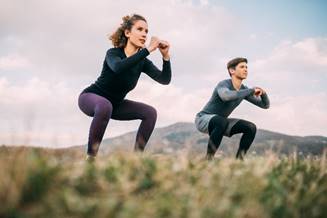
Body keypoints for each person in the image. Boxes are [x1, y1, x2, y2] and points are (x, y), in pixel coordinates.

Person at [78, 14, 171, 161]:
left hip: (116, 104)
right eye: (140, 29)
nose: (144, 34)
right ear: (128, 33)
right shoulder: (113, 53)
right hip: (91, 98)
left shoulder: (143, 62)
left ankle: (135, 161)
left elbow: (164, 80)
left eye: (146, 31)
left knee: (150, 113)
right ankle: (91, 160)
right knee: (105, 106)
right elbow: (118, 68)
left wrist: (166, 57)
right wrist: (147, 50)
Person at [195, 57, 269, 160]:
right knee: (220, 121)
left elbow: (265, 105)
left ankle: (239, 161)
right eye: (242, 67)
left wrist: (263, 93)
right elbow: (226, 96)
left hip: (221, 121)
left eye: (246, 67)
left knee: (251, 127)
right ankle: (208, 160)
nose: (246, 69)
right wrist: (251, 90)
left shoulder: (244, 90)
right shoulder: (224, 84)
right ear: (232, 70)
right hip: (203, 119)